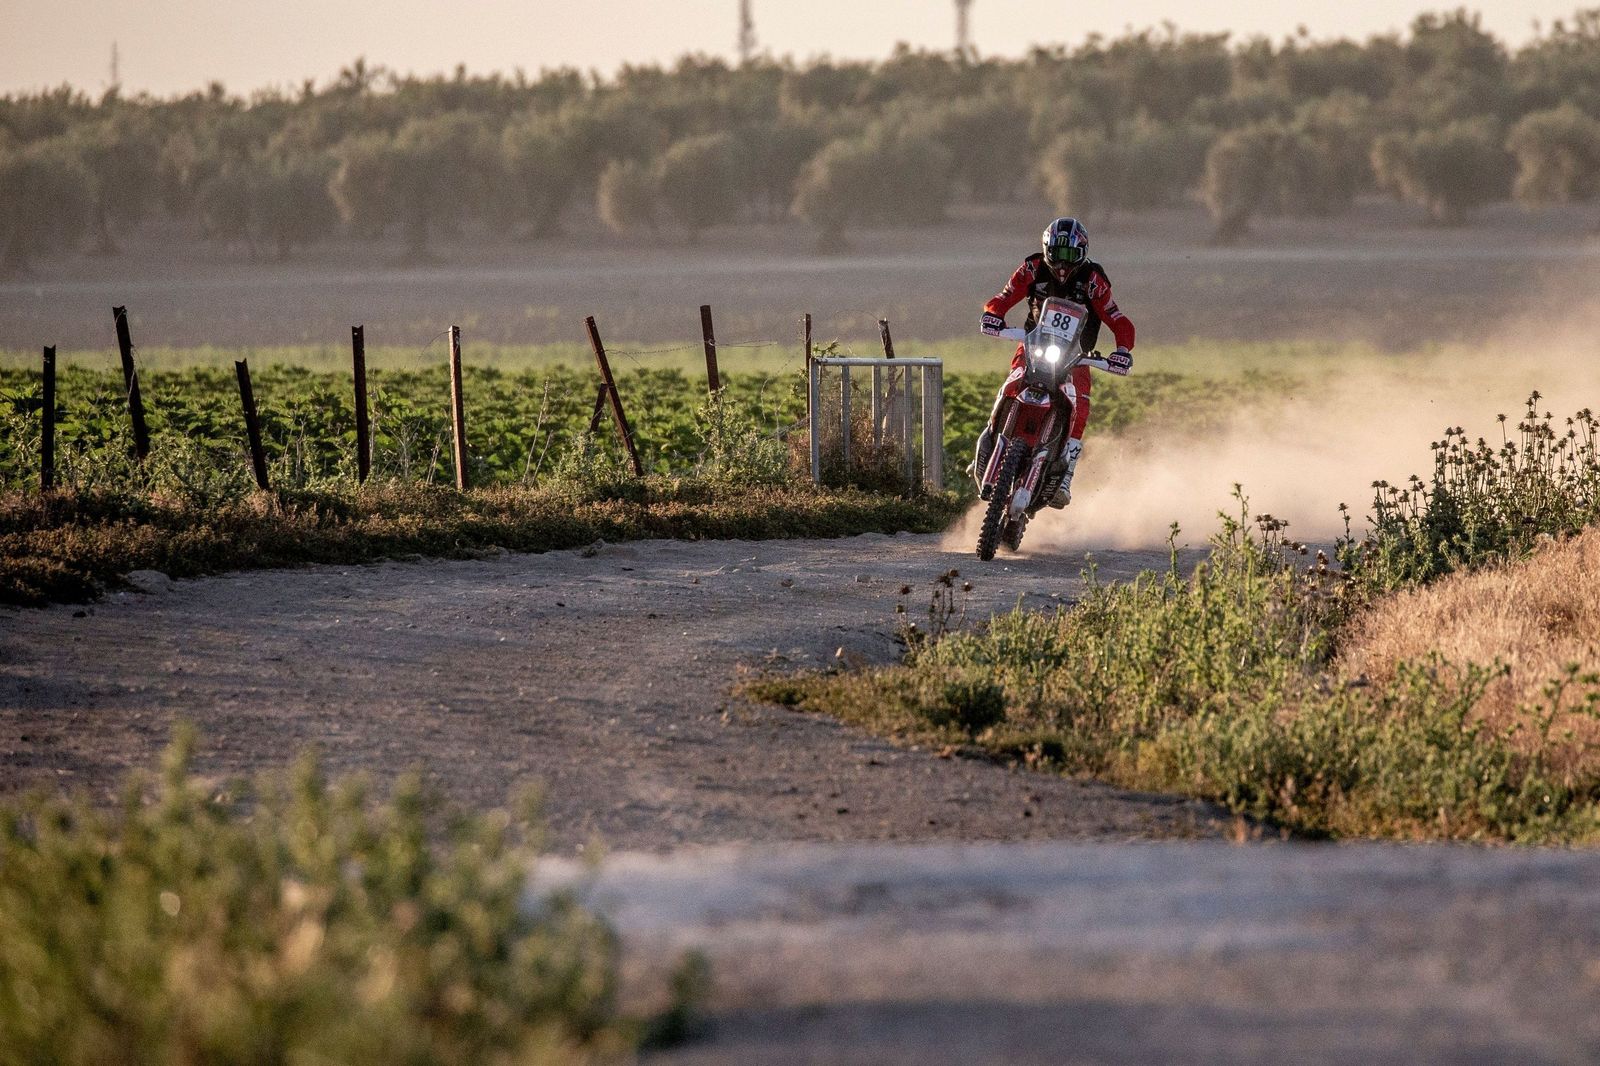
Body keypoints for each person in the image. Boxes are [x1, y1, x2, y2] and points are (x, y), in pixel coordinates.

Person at [974, 217, 1135, 507]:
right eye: (1057, 255)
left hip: (1076, 356)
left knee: (1081, 406)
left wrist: (1123, 350)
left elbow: (1119, 320)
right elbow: (1004, 296)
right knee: (1010, 385)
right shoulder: (1032, 268)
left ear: (1082, 254)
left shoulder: (1094, 281)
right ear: (1046, 250)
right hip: (1034, 345)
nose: (1062, 265)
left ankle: (1065, 477)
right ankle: (990, 439)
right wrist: (993, 315)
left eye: (1070, 256)